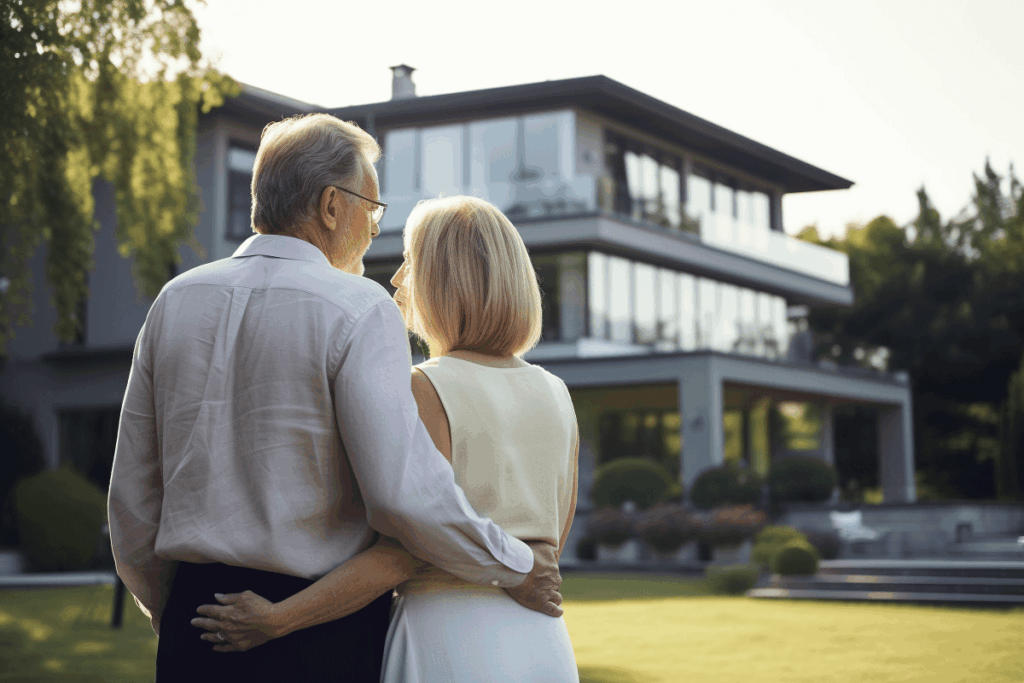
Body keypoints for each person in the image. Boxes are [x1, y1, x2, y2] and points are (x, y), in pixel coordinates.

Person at [107, 115, 563, 683]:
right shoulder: (359, 308)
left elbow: (132, 499)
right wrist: (516, 564)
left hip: (194, 623)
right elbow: (405, 497)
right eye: (372, 210)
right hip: (319, 634)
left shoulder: (174, 300)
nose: (373, 231)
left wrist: (172, 612)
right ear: (330, 205)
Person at [190, 196, 581, 682]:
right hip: (541, 639)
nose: (396, 279)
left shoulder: (425, 387)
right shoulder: (556, 392)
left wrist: (277, 619)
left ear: (446, 279)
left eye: (410, 262)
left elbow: (401, 555)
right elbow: (550, 548)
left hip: (447, 637)